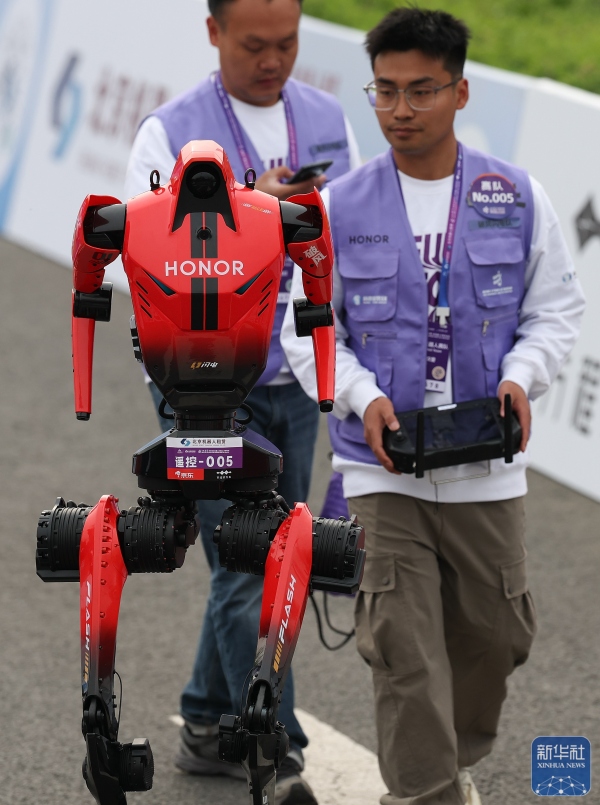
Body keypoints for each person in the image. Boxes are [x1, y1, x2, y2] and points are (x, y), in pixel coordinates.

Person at [282, 8, 585, 805]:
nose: (401, 109)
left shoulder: (514, 195)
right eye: (385, 91)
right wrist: (363, 396)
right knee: (403, 646)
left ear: (460, 92)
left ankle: (442, 764)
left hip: (487, 461)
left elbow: (556, 310)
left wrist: (522, 376)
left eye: (421, 90)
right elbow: (305, 328)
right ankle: (428, 791)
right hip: (380, 466)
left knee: (496, 637)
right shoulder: (335, 208)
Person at [124, 1, 360, 803]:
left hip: (295, 369)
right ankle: (276, 747)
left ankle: (204, 717)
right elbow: (133, 261)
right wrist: (244, 215)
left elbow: (353, 232)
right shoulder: (168, 133)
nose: (273, 61)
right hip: (203, 385)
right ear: (213, 31)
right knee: (250, 562)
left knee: (271, 551)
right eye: (255, 45)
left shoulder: (327, 119)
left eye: (287, 44)